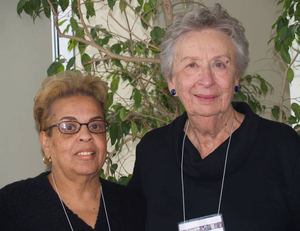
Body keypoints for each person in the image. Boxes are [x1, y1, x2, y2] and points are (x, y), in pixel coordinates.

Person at [128, 3, 300, 231]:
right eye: (192, 65)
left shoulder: (283, 147)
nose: (206, 80)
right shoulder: (153, 151)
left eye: (219, 64)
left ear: (236, 76)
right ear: (172, 81)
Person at [0, 71, 145, 230]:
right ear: (46, 143)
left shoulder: (134, 206)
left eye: (95, 126)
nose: (86, 135)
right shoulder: (10, 207)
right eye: (69, 127)